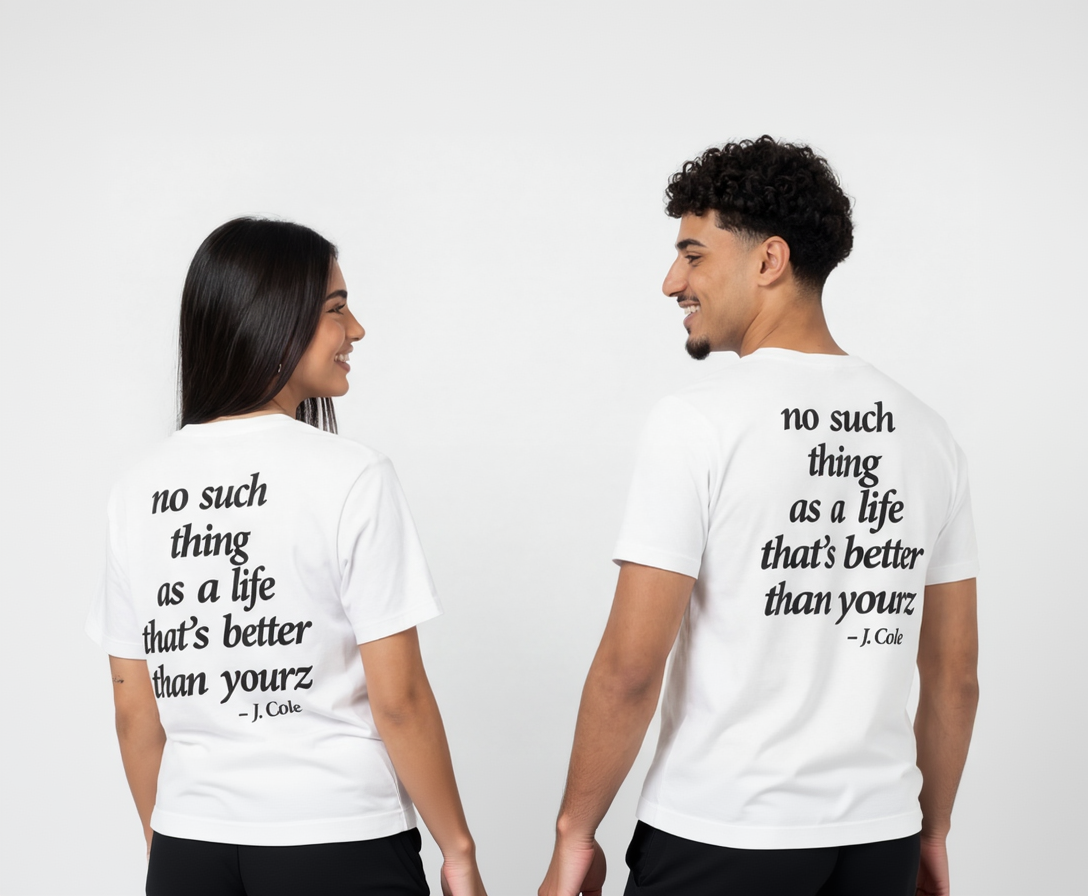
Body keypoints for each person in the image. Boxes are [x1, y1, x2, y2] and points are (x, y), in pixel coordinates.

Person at [539, 137, 979, 896]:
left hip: (724, 832)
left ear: (769, 260)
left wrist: (574, 831)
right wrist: (930, 831)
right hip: (879, 840)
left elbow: (630, 669)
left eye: (694, 255)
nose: (672, 281)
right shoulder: (928, 434)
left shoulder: (698, 423)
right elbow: (954, 675)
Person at [88, 218, 487, 896]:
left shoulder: (136, 490)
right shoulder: (353, 475)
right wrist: (458, 850)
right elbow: (399, 700)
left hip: (190, 846)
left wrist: (169, 847)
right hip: (336, 840)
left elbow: (134, 712)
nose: (356, 330)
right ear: (273, 318)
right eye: (336, 309)